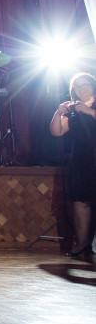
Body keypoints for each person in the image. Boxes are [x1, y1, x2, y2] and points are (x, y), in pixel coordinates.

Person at [50, 72, 96, 258]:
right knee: (81, 201)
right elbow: (57, 132)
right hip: (81, 159)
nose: (81, 89)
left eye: (85, 85)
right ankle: (82, 243)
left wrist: (90, 112)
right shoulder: (73, 110)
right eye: (77, 87)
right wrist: (58, 112)